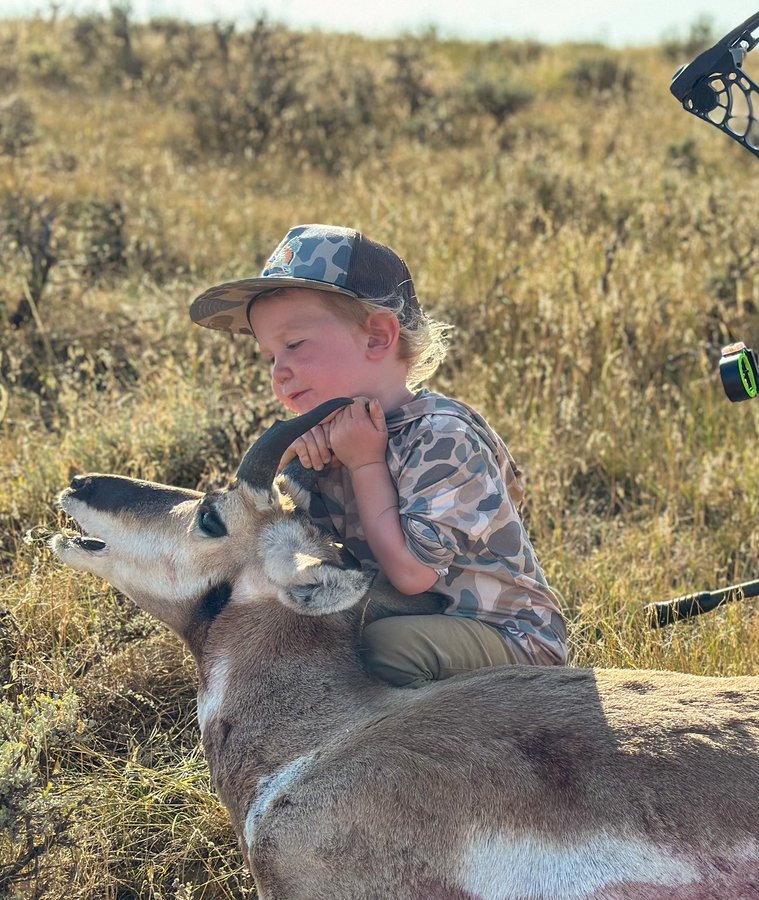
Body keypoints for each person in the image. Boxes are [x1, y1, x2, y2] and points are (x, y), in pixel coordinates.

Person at [190, 223, 569, 686]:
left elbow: (411, 576)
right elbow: (276, 553)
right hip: (404, 621)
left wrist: (365, 465)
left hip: (510, 640)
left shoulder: (442, 437)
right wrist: (284, 461)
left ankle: (409, 757)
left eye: (293, 345)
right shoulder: (324, 441)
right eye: (268, 355)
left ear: (377, 338)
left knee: (386, 649)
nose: (279, 373)